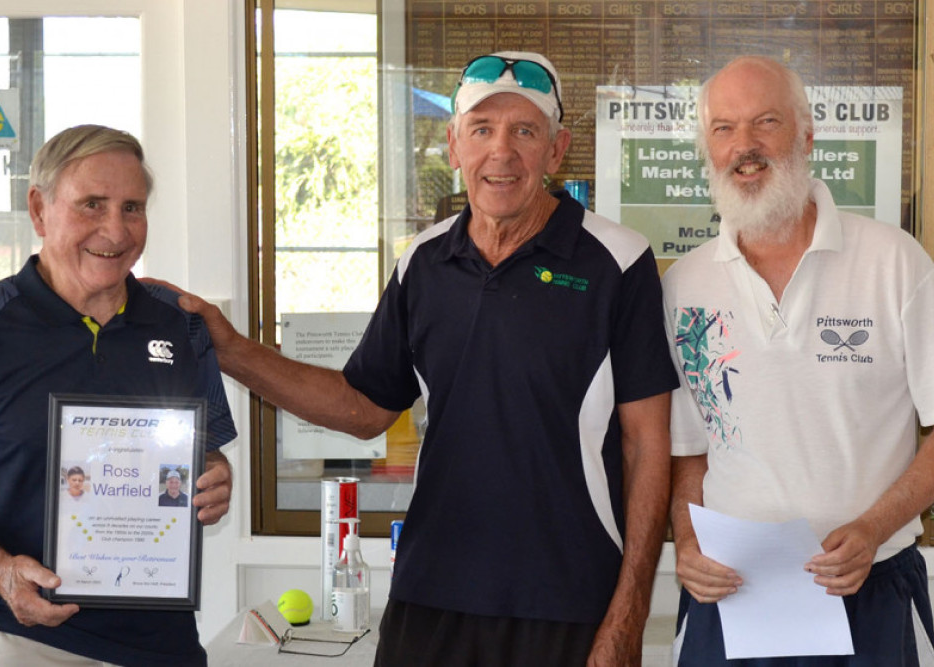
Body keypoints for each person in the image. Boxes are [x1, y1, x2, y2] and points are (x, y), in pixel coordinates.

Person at [172, 51, 678, 665]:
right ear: (453, 144)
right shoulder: (423, 260)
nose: (502, 152)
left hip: (567, 596)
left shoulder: (619, 261)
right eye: (482, 130)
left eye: (525, 131)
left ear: (556, 149)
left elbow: (647, 447)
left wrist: (628, 615)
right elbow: (363, 408)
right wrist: (230, 349)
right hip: (433, 589)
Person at [664, 55, 934, 665]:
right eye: (724, 128)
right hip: (729, 594)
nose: (745, 146)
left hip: (869, 589)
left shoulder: (896, 263)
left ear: (808, 135)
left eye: (766, 122)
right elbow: (689, 450)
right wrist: (686, 540)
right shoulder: (685, 285)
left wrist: (872, 528)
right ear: (707, 147)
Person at [0, 124, 237, 667]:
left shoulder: (180, 327)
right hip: (23, 635)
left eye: (132, 207)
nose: (115, 231)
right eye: (92, 205)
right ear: (39, 209)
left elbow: (203, 451)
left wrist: (215, 476)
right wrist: (1, 570)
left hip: (161, 641)